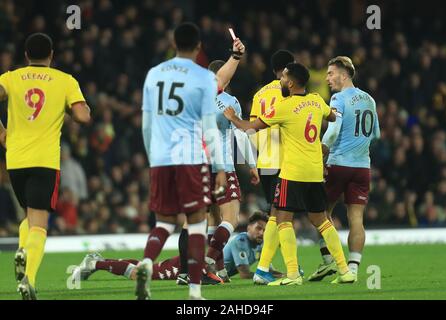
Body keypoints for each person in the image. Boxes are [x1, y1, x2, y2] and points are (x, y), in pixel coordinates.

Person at [137, 22, 245, 300]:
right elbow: (210, 124)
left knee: (164, 223)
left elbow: (147, 123)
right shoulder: (201, 78)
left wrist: (152, 157)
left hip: (161, 158)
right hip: (191, 157)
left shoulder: (154, 74)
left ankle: (147, 263)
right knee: (197, 223)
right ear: (199, 47)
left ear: (173, 43)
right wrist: (220, 167)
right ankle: (194, 291)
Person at [224, 62, 356, 285]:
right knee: (321, 220)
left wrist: (233, 118)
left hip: (293, 172)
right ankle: (345, 271)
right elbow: (332, 117)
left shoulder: (284, 106)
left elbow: (250, 127)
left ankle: (293, 274)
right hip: (315, 171)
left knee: (282, 220)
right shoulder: (315, 100)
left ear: (291, 83)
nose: (281, 81)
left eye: (284, 78)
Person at [0, 33, 91, 299]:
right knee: (39, 223)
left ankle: (22, 251)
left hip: (15, 160)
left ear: (26, 56)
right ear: (51, 55)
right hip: (45, 160)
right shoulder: (65, 81)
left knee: (29, 217)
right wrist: (70, 109)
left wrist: (2, 134)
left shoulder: (10, 78)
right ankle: (28, 277)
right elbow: (83, 116)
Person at [308, 56, 380, 282]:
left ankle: (329, 261)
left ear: (344, 74)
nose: (327, 78)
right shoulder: (369, 99)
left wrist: (321, 152)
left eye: (330, 73)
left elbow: (332, 131)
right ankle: (354, 268)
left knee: (319, 212)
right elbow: (375, 134)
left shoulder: (338, 99)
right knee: (356, 218)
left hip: (338, 164)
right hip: (362, 167)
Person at [71, 212, 284, 282]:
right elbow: (245, 273)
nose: (262, 233)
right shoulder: (238, 240)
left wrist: (283, 275)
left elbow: (263, 269)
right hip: (190, 264)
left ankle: (99, 260)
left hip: (195, 265)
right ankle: (96, 262)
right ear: (249, 226)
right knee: (142, 274)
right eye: (259, 228)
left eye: (265, 230)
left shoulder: (256, 245)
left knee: (147, 269)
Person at [203, 60, 259, 283]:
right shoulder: (229, 102)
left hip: (199, 167)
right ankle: (206, 263)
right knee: (231, 219)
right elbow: (241, 134)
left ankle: (219, 271)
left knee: (212, 219)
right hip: (222, 167)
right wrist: (253, 165)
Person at [249, 50, 295, 285]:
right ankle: (267, 268)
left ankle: (277, 267)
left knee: (276, 214)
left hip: (265, 160)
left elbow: (251, 130)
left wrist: (252, 162)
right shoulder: (290, 90)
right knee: (282, 216)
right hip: (287, 160)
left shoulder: (259, 94)